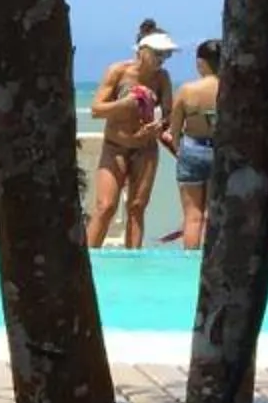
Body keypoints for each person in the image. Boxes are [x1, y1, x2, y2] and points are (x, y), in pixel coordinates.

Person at [85, 26, 175, 248]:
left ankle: (133, 260)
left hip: (145, 148)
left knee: (137, 207)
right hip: (115, 146)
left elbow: (169, 113)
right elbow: (96, 109)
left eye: (166, 54)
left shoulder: (162, 77)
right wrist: (123, 104)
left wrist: (159, 125)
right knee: (106, 206)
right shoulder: (118, 71)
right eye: (157, 53)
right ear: (142, 51)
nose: (161, 59)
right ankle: (87, 258)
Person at [167, 38, 222, 250]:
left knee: (192, 216)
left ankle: (188, 262)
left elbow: (174, 131)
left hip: (191, 150)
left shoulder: (187, 90)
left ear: (201, 63)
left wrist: (180, 151)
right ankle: (210, 261)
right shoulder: (230, 89)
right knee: (211, 215)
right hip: (219, 151)